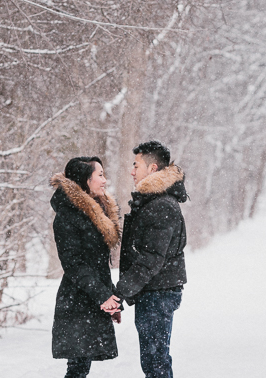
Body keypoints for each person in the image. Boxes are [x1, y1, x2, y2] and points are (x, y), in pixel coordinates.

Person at [105, 141, 188, 378]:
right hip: (154, 291)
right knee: (153, 360)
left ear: (152, 168)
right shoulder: (154, 201)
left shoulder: (161, 205)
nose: (132, 171)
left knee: (155, 361)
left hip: (158, 293)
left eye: (136, 165)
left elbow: (151, 258)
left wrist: (119, 293)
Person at [49, 156, 123, 378]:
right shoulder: (67, 215)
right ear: (85, 180)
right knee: (78, 368)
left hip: (90, 298)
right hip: (77, 300)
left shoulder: (94, 213)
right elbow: (74, 264)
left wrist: (110, 300)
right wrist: (103, 296)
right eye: (100, 175)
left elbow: (98, 264)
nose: (105, 180)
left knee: (80, 367)